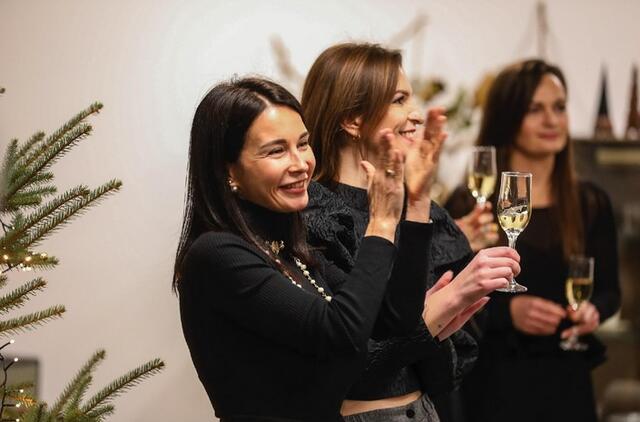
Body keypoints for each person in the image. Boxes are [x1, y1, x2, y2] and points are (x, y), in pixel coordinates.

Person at [175, 76, 443, 421]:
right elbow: (341, 334)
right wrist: (381, 222)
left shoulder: (289, 247)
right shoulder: (216, 254)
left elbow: (395, 318)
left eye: (303, 144)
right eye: (276, 150)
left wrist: (417, 204)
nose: (300, 164)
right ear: (229, 171)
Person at [301, 42, 521, 421]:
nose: (416, 115)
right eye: (399, 100)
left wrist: (440, 313)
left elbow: (444, 377)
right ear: (352, 119)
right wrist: (440, 308)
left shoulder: (429, 215)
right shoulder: (316, 218)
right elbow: (347, 371)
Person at [445, 59, 621, 422]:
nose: (552, 120)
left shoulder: (591, 203)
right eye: (535, 109)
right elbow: (443, 294)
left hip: (567, 381)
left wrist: (592, 312)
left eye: (559, 107)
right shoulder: (470, 205)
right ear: (507, 118)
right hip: (495, 383)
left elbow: (610, 291)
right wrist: (507, 314)